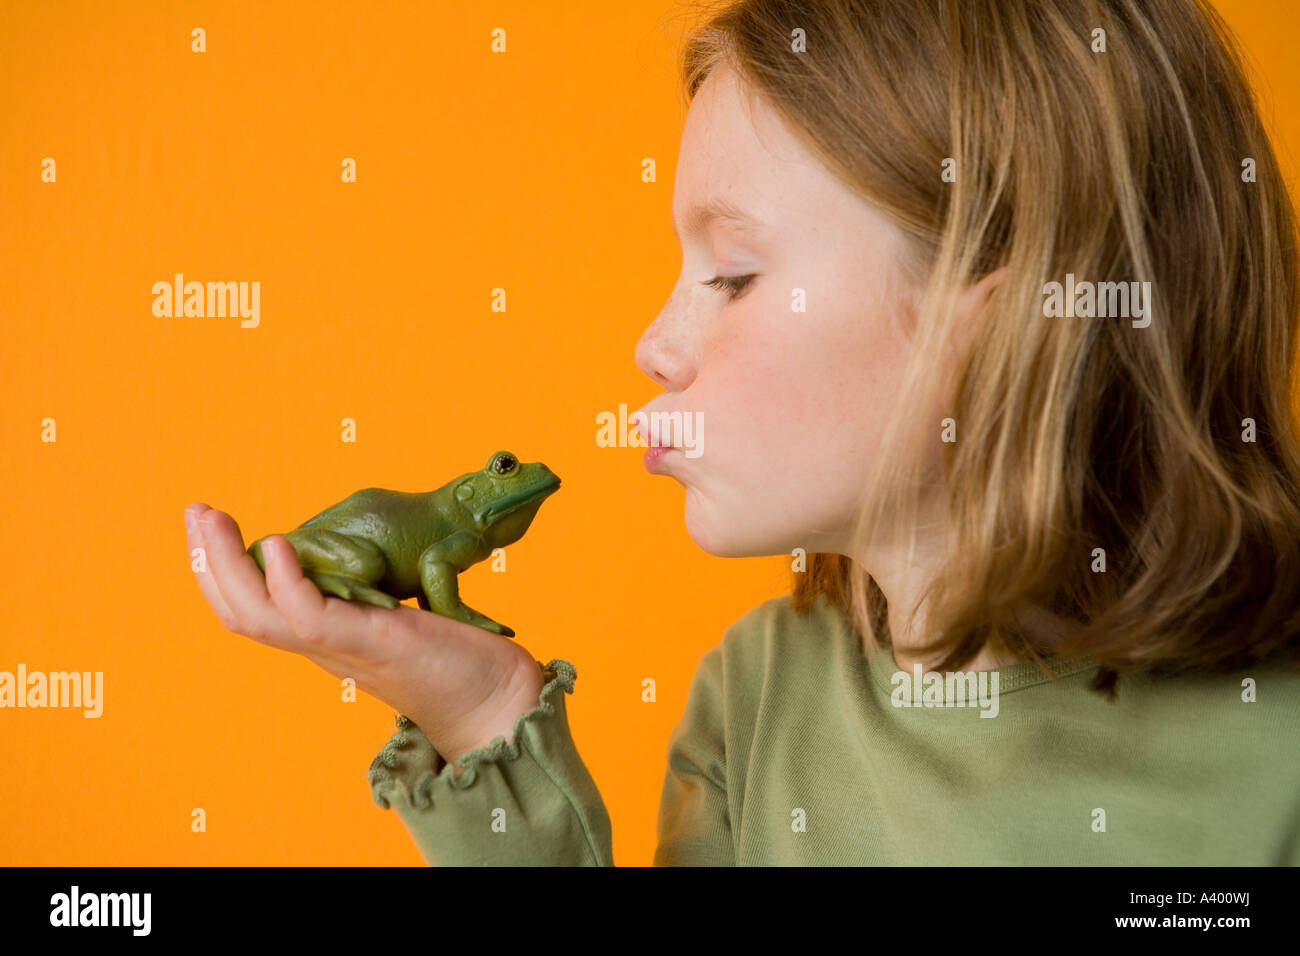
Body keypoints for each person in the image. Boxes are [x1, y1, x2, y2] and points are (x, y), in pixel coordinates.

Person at [185, 0, 1300, 865]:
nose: (653, 346)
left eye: (734, 273)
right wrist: (484, 718)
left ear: (1005, 318)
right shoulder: (757, 697)